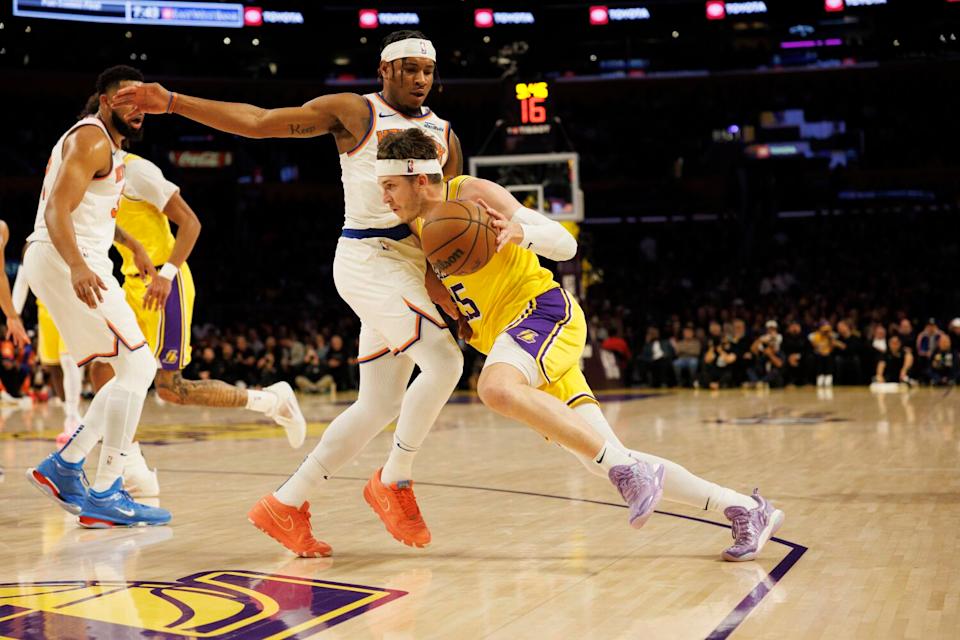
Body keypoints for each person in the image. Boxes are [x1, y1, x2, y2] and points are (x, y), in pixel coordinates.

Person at [114, 30, 465, 556]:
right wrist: (172, 103)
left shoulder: (445, 135)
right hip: (369, 257)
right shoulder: (355, 112)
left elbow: (446, 221)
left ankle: (286, 502)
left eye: (427, 70)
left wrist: (451, 287)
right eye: (409, 68)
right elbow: (259, 122)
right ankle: (395, 478)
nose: (420, 79)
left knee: (379, 403)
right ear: (384, 70)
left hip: (411, 268)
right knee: (445, 363)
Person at [376, 128, 784, 562]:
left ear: (418, 176)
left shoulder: (473, 193)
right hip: (512, 340)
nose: (384, 197)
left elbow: (566, 244)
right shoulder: (414, 228)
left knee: (495, 389)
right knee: (598, 456)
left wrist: (520, 231)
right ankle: (744, 507)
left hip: (542, 313)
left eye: (389, 186)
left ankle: (630, 471)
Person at [84, 150, 306, 496]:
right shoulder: (96, 176)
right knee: (103, 366)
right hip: (129, 281)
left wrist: (167, 274)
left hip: (164, 284)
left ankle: (271, 401)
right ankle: (131, 466)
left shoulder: (138, 171)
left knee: (171, 389)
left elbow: (191, 223)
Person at [23, 65, 170, 527]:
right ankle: (104, 490)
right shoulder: (92, 140)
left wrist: (131, 243)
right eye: (127, 99)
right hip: (66, 255)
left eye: (143, 101)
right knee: (141, 365)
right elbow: (55, 210)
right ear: (105, 102)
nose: (137, 108)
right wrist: (79, 265)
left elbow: (90, 209)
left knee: (129, 368)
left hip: (66, 255)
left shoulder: (106, 147)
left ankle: (66, 467)